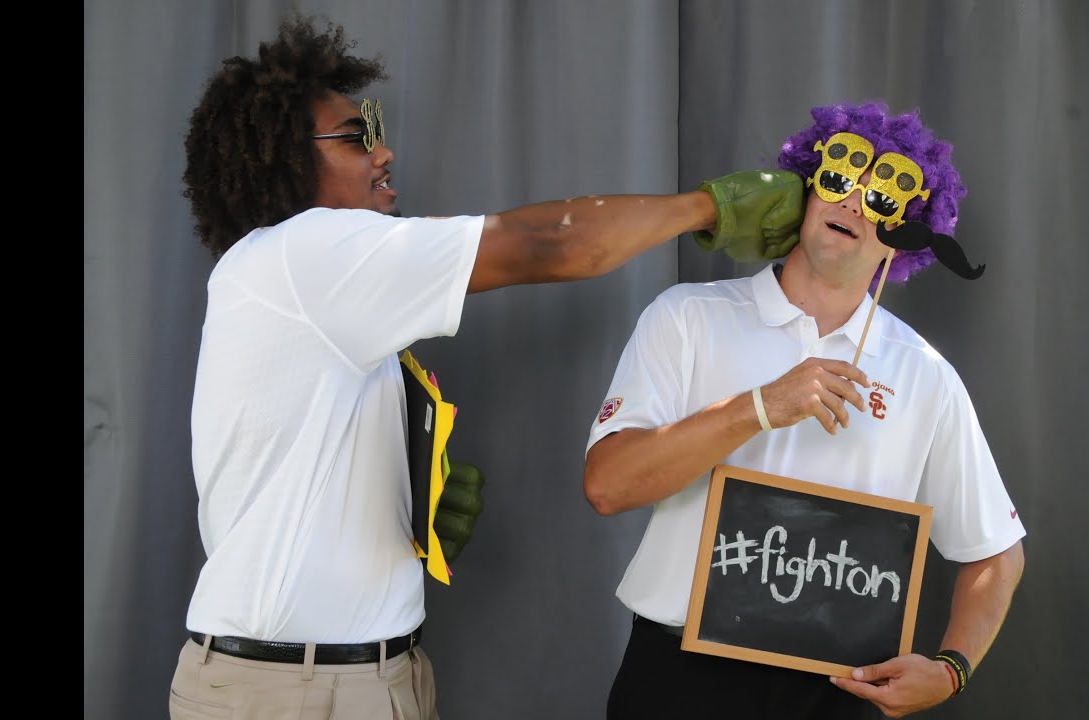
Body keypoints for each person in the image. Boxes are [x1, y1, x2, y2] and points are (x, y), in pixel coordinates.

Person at [169, 14, 805, 720]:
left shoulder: (314, 289)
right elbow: (543, 244)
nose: (384, 153)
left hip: (365, 675)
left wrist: (402, 509)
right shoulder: (303, 252)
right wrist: (705, 208)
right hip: (291, 692)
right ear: (282, 159)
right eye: (356, 137)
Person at [583, 100, 1027, 719]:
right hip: (680, 680)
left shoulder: (926, 376)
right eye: (841, 180)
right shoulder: (686, 317)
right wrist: (759, 407)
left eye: (883, 200)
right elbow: (608, 485)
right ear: (807, 189)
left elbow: (997, 552)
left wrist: (951, 670)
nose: (852, 205)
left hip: (837, 692)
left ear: (908, 234)